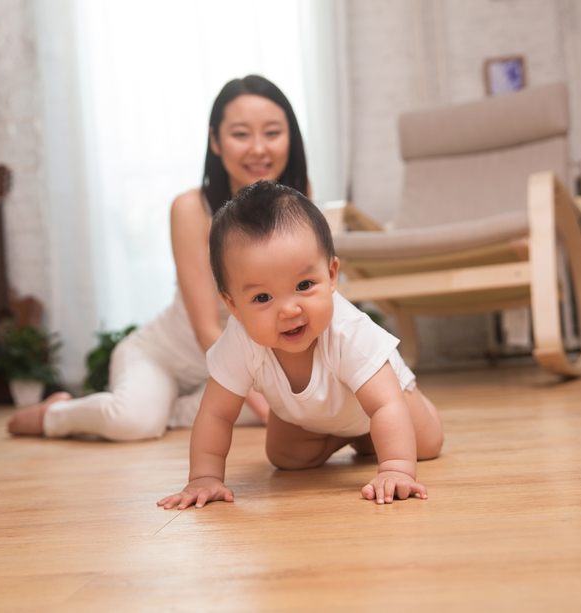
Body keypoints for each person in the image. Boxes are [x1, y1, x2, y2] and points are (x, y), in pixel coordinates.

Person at [6, 75, 310, 441]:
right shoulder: (190, 209)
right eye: (241, 134)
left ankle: (169, 410)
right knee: (134, 422)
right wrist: (270, 410)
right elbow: (206, 330)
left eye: (272, 133)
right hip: (168, 356)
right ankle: (55, 414)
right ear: (215, 141)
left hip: (236, 367)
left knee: (291, 403)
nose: (258, 149)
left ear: (291, 137)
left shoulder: (300, 203)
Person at [157, 181, 444, 509]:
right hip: (317, 416)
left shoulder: (347, 331)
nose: (289, 310)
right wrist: (204, 476)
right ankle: (353, 435)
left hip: (387, 399)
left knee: (426, 444)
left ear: (332, 275)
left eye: (304, 285)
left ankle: (373, 434)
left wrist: (394, 469)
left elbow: (385, 405)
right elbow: (216, 414)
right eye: (262, 297)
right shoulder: (240, 340)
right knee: (285, 457)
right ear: (233, 305)